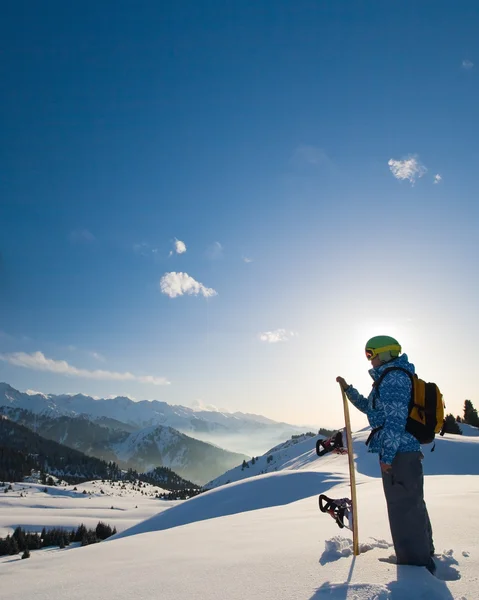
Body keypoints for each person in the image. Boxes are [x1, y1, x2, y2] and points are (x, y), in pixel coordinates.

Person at [336, 335, 435, 574]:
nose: (369, 359)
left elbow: (395, 421)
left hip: (400, 452)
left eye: (371, 354)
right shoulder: (389, 378)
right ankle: (422, 555)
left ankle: (415, 567)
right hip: (403, 451)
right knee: (411, 504)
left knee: (403, 508)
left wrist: (387, 456)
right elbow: (373, 410)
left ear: (386, 353)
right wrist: (350, 391)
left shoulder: (394, 379)